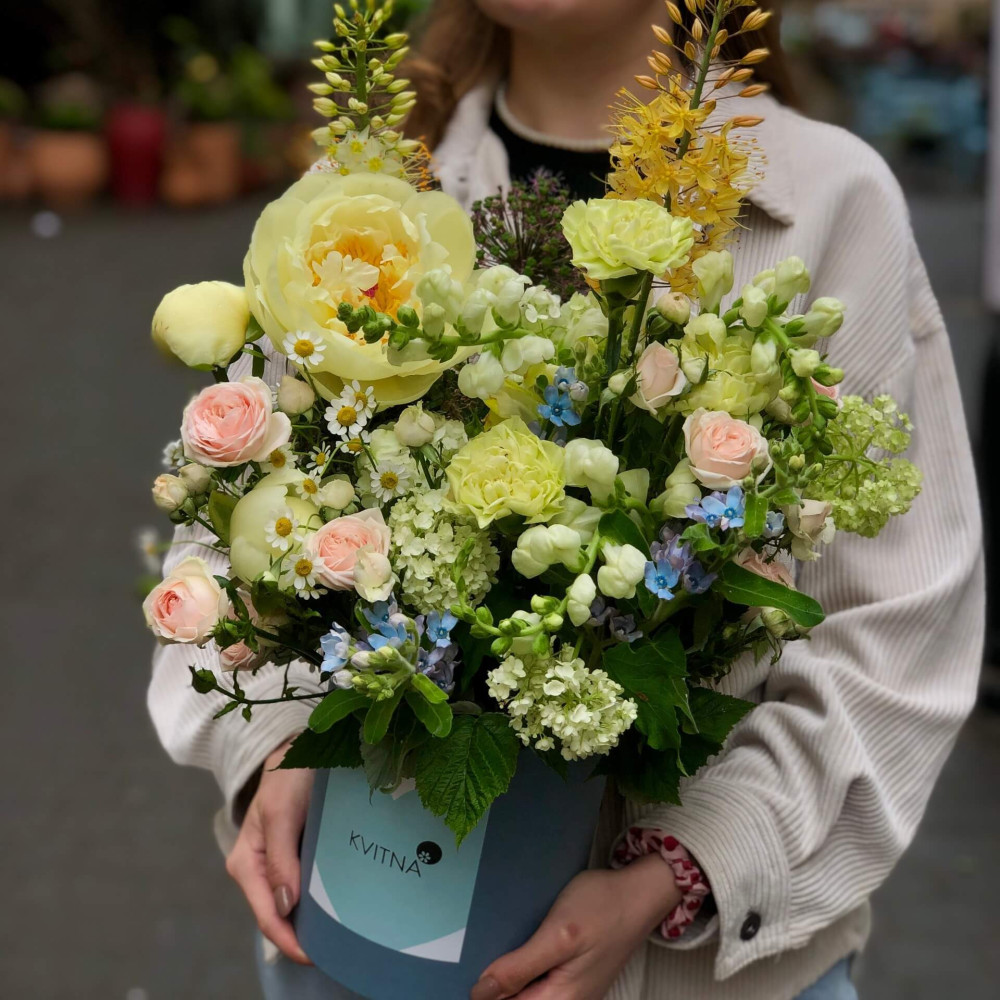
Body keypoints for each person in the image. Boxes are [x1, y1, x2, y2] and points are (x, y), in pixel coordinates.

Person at [147, 2, 985, 999]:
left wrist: (687, 865)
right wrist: (274, 747)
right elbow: (232, 524)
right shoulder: (358, 198)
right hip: (359, 942)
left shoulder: (835, 204)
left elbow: (896, 641)